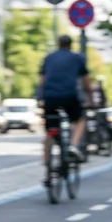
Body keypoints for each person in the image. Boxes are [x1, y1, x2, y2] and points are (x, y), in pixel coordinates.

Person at [37, 34, 92, 170]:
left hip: (50, 97)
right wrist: (90, 99)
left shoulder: (48, 58)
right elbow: (86, 82)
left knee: (50, 130)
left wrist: (40, 98)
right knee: (79, 119)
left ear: (58, 44)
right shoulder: (77, 58)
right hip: (69, 96)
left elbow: (42, 81)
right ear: (71, 44)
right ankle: (72, 146)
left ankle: (46, 163)